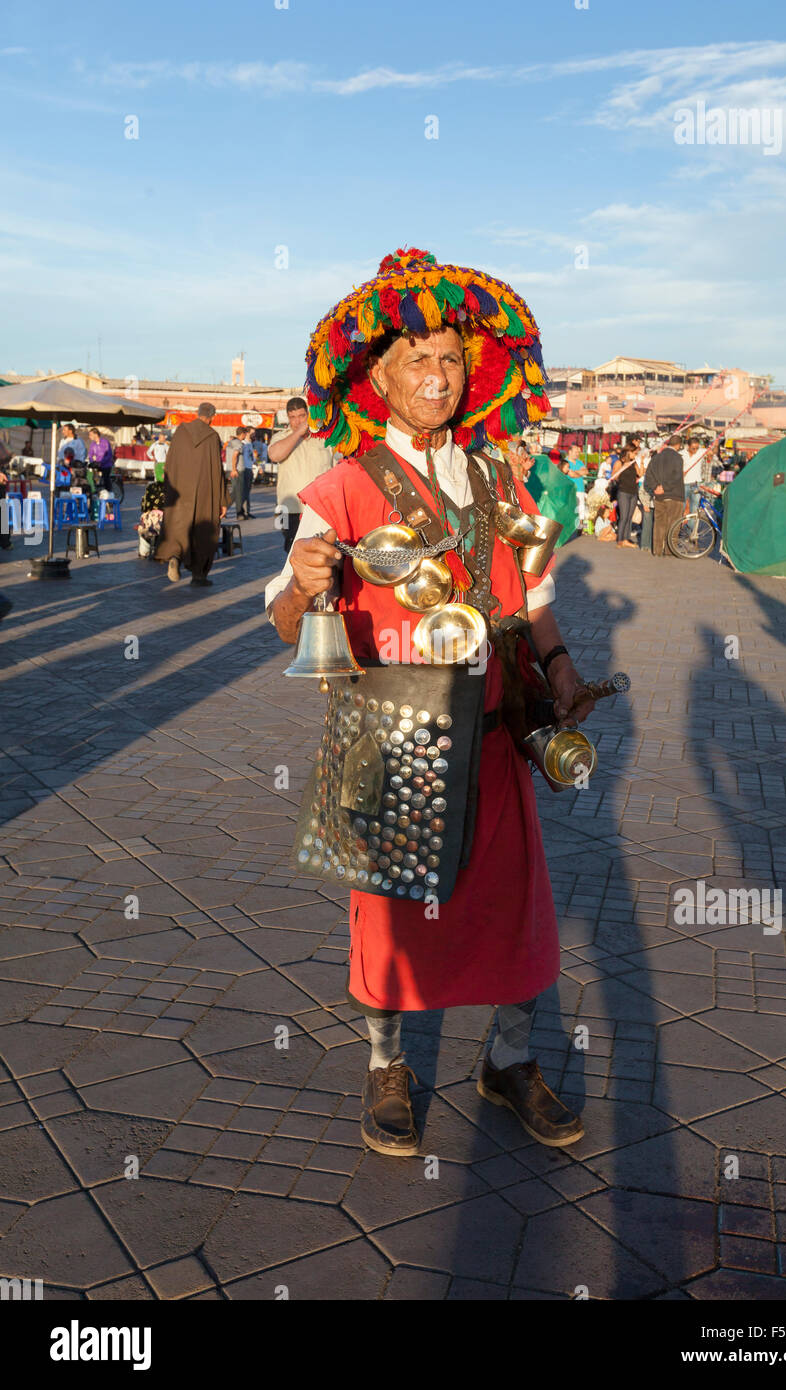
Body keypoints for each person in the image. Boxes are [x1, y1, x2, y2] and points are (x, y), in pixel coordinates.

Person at [266, 246, 597, 1156]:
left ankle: (509, 1061)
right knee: (392, 924)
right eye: (419, 359)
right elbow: (283, 621)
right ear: (381, 376)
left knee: (516, 914)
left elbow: (531, 602)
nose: (439, 376)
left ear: (471, 370)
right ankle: (386, 1066)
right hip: (395, 736)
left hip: (495, 739)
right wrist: (300, 583)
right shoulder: (341, 485)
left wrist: (560, 665)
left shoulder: (502, 479)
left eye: (452, 358)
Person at [156, 402, 228, 586]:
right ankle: (199, 575)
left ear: (198, 414)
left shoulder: (180, 431)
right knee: (204, 532)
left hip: (180, 490)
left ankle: (175, 555)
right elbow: (217, 470)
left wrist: (169, 489)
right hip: (205, 493)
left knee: (179, 525)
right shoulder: (212, 436)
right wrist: (222, 500)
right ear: (212, 416)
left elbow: (170, 462)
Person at [268, 397, 332, 551]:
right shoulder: (281, 437)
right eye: (293, 417)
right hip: (289, 508)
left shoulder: (323, 439)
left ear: (308, 414)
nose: (297, 421)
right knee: (292, 550)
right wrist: (298, 433)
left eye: (302, 416)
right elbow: (275, 455)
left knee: (322, 549)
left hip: (319, 508)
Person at [644, 437, 685, 556]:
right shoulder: (678, 458)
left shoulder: (656, 457)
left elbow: (648, 475)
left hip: (659, 496)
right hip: (674, 495)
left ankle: (657, 551)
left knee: (659, 524)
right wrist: (665, 487)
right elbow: (677, 477)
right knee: (673, 523)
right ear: (678, 445)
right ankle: (669, 551)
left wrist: (656, 487)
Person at [609, 444, 640, 547]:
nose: (635, 455)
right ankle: (620, 540)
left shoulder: (634, 463)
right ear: (628, 452)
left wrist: (642, 462)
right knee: (624, 516)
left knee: (629, 517)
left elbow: (640, 474)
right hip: (623, 492)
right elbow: (614, 477)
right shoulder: (619, 462)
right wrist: (623, 467)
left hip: (633, 492)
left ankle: (626, 539)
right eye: (634, 453)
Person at [225, 426, 249, 516]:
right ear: (242, 434)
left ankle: (238, 511)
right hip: (237, 471)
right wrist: (234, 469)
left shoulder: (231, 442)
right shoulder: (238, 443)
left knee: (236, 492)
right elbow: (235, 455)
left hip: (230, 469)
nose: (245, 436)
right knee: (237, 492)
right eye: (245, 434)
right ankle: (239, 513)